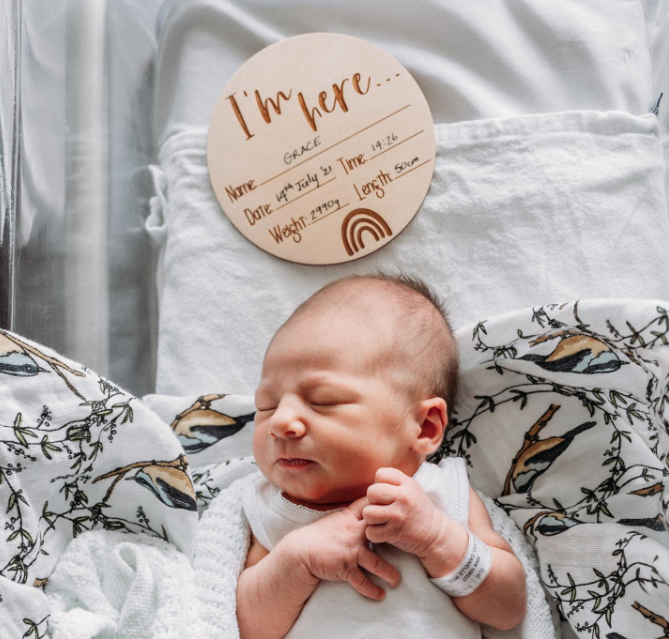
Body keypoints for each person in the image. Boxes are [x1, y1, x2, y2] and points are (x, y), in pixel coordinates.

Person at [236, 270, 527, 639]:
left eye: (323, 400)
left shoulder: (442, 496)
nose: (281, 422)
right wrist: (296, 561)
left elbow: (508, 609)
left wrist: (437, 539)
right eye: (266, 406)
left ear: (424, 428)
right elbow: (244, 627)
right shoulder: (270, 512)